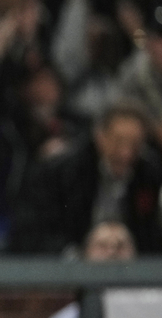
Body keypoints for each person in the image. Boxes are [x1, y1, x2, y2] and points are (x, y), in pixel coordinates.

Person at [11, 103, 162, 255]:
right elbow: (35, 228)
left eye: (135, 144)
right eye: (118, 141)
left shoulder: (150, 175)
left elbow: (149, 234)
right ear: (100, 136)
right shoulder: (63, 172)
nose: (126, 153)